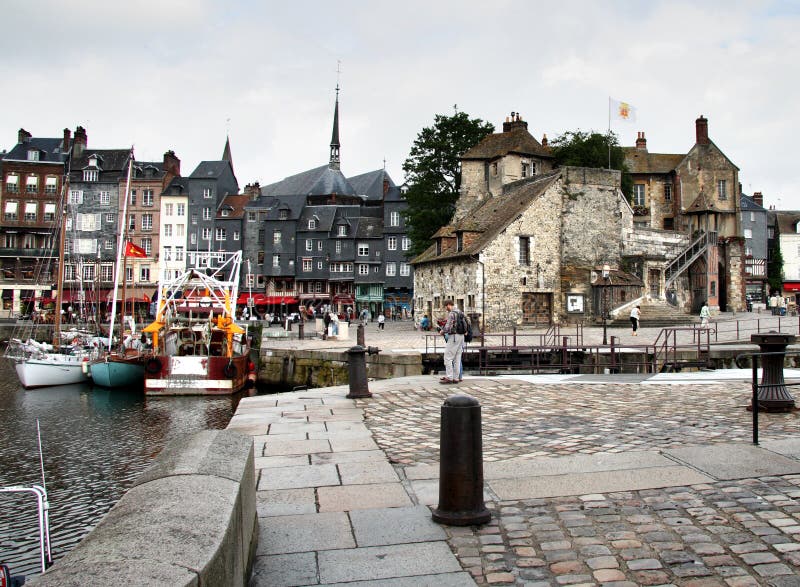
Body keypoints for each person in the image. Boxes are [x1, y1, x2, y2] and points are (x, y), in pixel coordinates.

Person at [439, 300, 465, 384]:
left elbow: (448, 327)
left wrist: (442, 331)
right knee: (457, 358)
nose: (445, 308)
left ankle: (449, 377)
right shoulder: (460, 312)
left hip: (454, 336)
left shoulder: (452, 313)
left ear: (448, 305)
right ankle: (456, 378)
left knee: (448, 357)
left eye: (445, 306)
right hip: (461, 336)